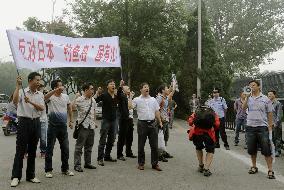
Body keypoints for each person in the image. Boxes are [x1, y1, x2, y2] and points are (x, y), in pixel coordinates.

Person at [10, 72, 44, 187]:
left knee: (33, 151)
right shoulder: (21, 91)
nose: (39, 82)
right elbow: (14, 101)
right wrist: (18, 86)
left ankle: (30, 175)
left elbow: (41, 108)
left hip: (36, 122)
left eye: (39, 80)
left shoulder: (40, 94)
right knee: (20, 150)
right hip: (24, 122)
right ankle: (16, 176)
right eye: (37, 80)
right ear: (30, 80)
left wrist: (30, 101)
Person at [242, 80, 275, 179]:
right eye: (250, 85)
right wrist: (247, 97)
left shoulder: (265, 99)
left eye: (253, 85)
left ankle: (270, 170)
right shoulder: (248, 98)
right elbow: (243, 108)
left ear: (258, 87)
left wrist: (269, 126)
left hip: (262, 127)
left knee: (266, 149)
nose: (251, 87)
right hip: (250, 127)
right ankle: (254, 166)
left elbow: (270, 113)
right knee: (252, 149)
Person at [44, 79, 74, 178]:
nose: (62, 88)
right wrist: (54, 90)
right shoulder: (51, 97)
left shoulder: (65, 97)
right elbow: (44, 98)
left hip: (63, 127)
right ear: (55, 87)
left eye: (62, 86)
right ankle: (48, 170)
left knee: (65, 148)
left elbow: (69, 107)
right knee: (50, 149)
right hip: (52, 126)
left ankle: (65, 169)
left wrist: (71, 120)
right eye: (59, 86)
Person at [132, 82, 163, 171]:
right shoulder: (137, 99)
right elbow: (130, 107)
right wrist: (130, 97)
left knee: (154, 145)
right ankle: (141, 163)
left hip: (153, 124)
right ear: (141, 89)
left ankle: (155, 164)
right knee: (141, 145)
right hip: (142, 124)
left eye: (148, 87)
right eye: (145, 87)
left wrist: (160, 121)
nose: (147, 88)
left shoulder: (153, 99)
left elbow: (157, 111)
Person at [187, 106, 220, 177]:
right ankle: (206, 169)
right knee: (210, 150)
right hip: (209, 134)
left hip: (197, 133)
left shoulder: (197, 112)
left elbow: (190, 122)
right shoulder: (213, 113)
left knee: (198, 148)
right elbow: (217, 125)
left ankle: (201, 165)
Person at [73, 83, 97, 172]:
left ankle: (87, 163)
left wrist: (94, 122)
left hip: (91, 126)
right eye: (91, 89)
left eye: (93, 89)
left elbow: (93, 111)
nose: (92, 90)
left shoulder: (93, 100)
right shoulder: (79, 99)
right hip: (83, 126)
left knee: (89, 146)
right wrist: (75, 97)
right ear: (86, 90)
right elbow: (72, 108)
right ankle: (77, 165)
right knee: (79, 146)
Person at [94, 79, 118, 166]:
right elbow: (94, 100)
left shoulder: (116, 96)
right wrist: (97, 92)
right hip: (106, 120)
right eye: (111, 84)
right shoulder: (104, 95)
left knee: (112, 139)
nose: (113, 85)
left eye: (114, 84)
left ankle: (107, 156)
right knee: (103, 139)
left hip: (114, 120)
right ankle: (100, 158)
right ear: (107, 86)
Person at [117, 80, 137, 161]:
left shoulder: (129, 97)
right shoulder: (122, 96)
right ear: (123, 90)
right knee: (122, 137)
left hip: (130, 119)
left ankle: (128, 152)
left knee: (130, 137)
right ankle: (119, 154)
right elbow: (118, 94)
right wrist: (120, 85)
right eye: (127, 88)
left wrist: (131, 97)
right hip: (124, 119)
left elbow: (131, 107)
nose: (129, 89)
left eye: (129, 88)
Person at [156, 84, 175, 160]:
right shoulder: (159, 98)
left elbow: (171, 93)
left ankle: (164, 151)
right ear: (163, 90)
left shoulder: (165, 97)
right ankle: (159, 154)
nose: (168, 90)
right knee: (160, 137)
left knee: (166, 137)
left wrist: (173, 86)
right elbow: (156, 109)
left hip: (166, 120)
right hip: (161, 120)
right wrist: (160, 119)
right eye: (166, 88)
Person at [267, 90, 283, 157]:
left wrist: (276, 123)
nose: (269, 96)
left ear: (274, 95)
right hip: (269, 124)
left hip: (276, 124)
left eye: (270, 94)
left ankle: (278, 151)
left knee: (277, 138)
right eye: (268, 95)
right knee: (271, 138)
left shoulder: (277, 103)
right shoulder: (268, 103)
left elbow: (279, 115)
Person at [38, 83, 48, 159]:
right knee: (30, 137)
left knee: (43, 138)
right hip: (34, 119)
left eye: (42, 89)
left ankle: (43, 152)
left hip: (43, 120)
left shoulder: (44, 96)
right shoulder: (32, 95)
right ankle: (27, 151)